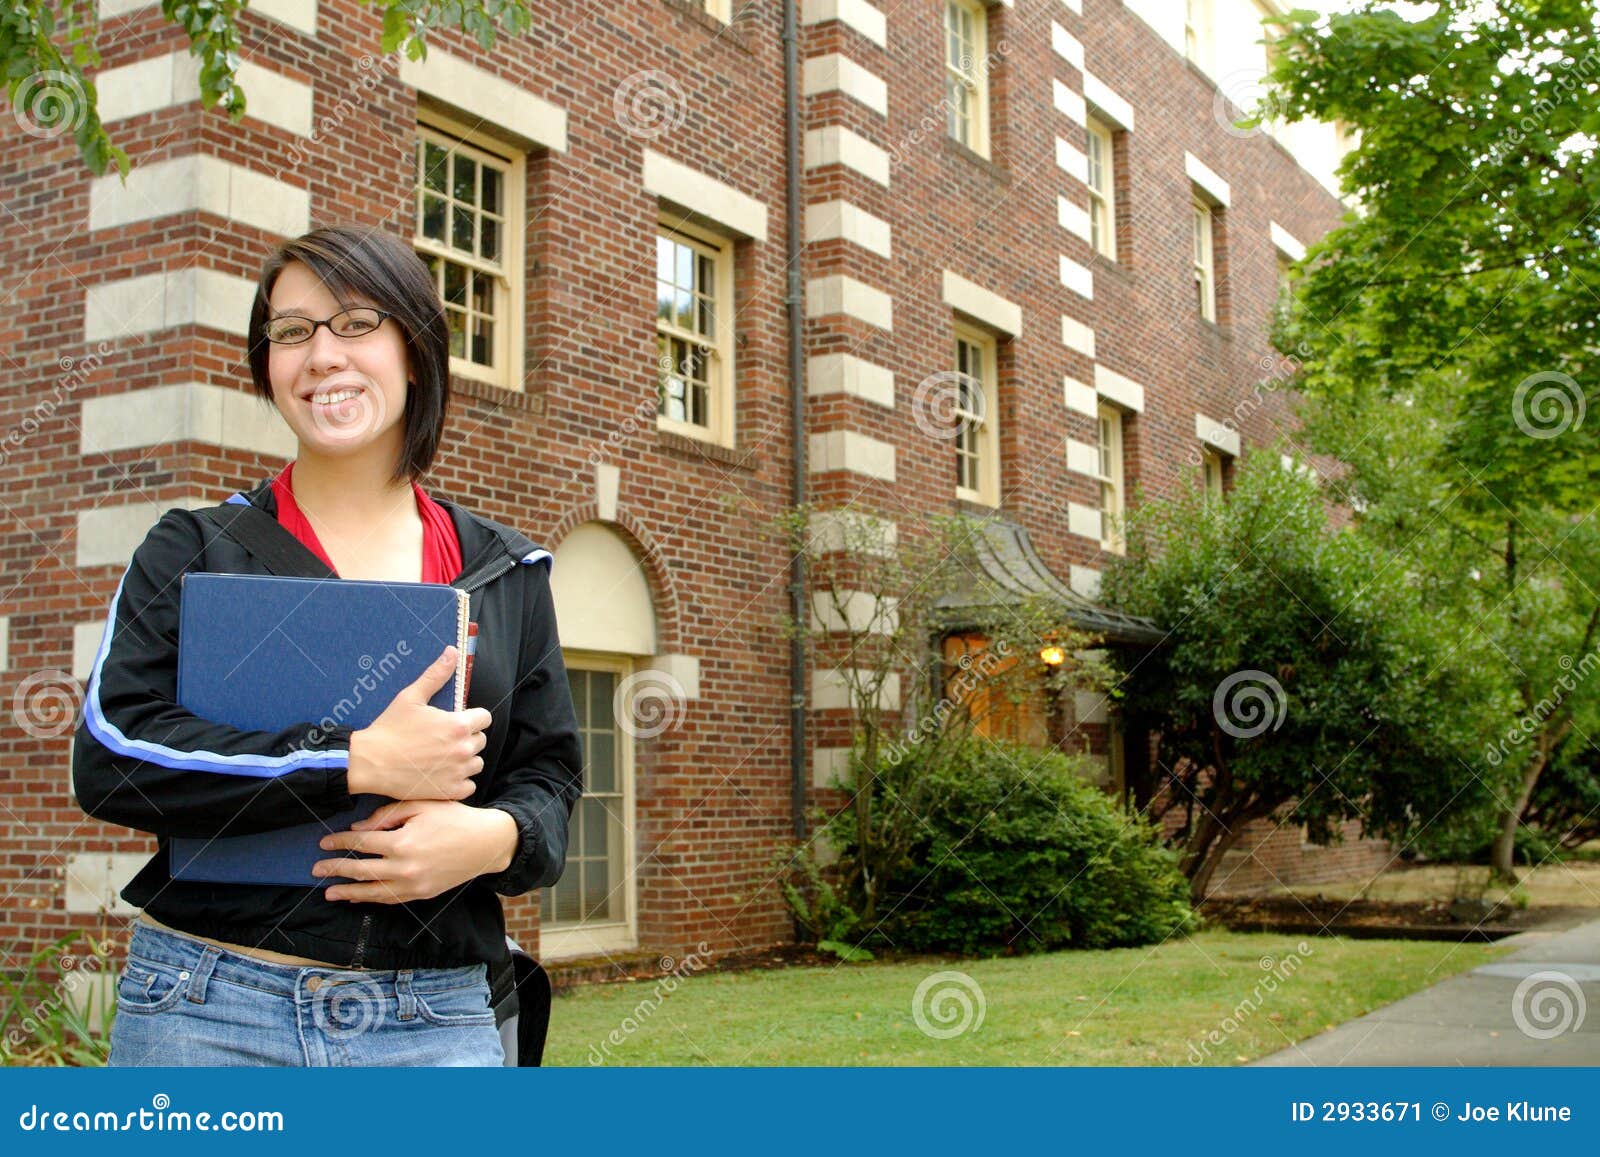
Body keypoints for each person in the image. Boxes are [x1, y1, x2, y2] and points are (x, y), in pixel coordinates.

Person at [71, 225, 584, 1067]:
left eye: (355, 324)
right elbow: (113, 754)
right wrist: (351, 760)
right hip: (206, 1007)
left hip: (435, 1016)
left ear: (415, 351)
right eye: (292, 330)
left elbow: (552, 779)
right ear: (267, 362)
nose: (321, 354)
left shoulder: (504, 571)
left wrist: (489, 840)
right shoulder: (196, 550)